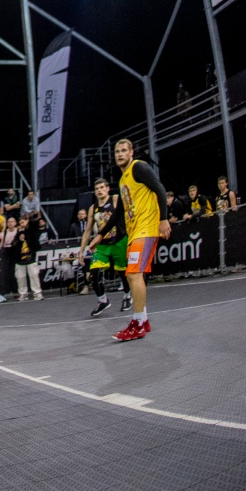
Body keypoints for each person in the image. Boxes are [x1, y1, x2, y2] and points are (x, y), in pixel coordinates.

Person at [86, 138, 170, 341]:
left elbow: (159, 188)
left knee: (133, 275)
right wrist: (100, 235)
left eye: (124, 150)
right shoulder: (123, 180)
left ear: (131, 153)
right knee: (133, 276)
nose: (120, 154)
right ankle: (144, 320)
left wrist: (164, 219)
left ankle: (138, 324)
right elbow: (118, 213)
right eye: (117, 151)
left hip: (146, 228)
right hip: (135, 232)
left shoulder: (139, 167)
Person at [78, 176, 129, 319]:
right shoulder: (93, 208)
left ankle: (127, 296)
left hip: (119, 241)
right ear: (94, 192)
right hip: (102, 245)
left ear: (107, 189)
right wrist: (81, 251)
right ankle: (103, 301)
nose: (100, 191)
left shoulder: (115, 199)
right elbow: (88, 230)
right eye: (97, 189)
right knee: (93, 273)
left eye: (102, 188)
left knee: (122, 272)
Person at [13, 215, 44, 300]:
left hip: (30, 258)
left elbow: (35, 222)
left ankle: (37, 293)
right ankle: (23, 294)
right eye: (20, 223)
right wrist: (19, 239)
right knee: (20, 277)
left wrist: (28, 220)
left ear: (27, 221)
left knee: (34, 275)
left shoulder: (31, 230)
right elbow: (14, 244)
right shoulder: (19, 232)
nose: (21, 224)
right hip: (20, 259)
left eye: (23, 222)